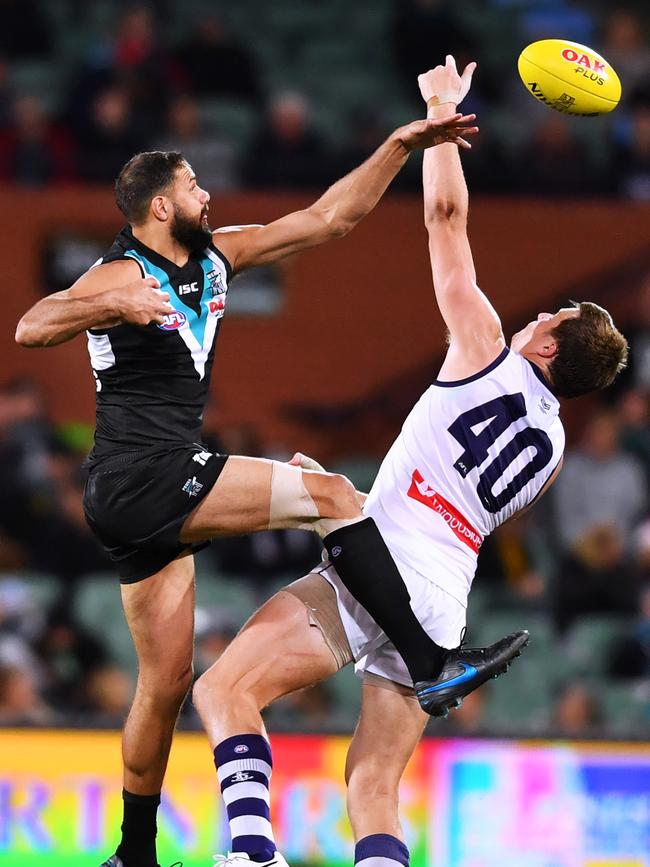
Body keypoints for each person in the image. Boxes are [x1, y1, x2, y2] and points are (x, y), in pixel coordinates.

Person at [14, 108, 489, 867]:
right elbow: (32, 325)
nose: (209, 193)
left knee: (166, 685)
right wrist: (113, 302)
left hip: (139, 496)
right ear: (160, 206)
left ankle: (133, 852)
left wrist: (401, 144)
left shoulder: (216, 258)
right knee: (333, 492)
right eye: (194, 184)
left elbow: (331, 217)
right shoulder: (119, 271)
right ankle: (429, 665)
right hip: (145, 476)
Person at [187, 57, 628, 867]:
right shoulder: (556, 449)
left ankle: (249, 852)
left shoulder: (486, 348)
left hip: (377, 568)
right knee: (373, 786)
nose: (540, 310)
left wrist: (438, 117)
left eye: (554, 312)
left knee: (222, 689)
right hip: (443, 600)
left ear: (550, 342)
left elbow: (447, 222)